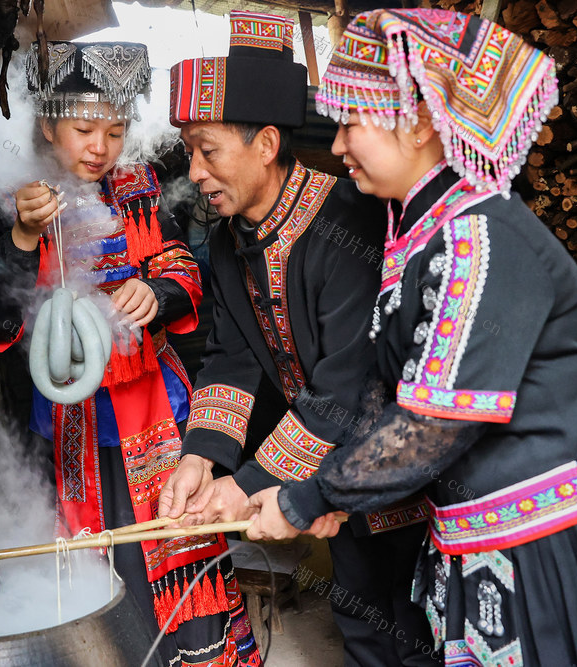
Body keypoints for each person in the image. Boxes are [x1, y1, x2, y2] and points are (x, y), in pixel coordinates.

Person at [245, 9, 577, 666]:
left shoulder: (481, 239)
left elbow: (437, 418)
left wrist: (313, 495)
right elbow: (381, 392)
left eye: (352, 123)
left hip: (556, 542)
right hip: (490, 539)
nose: (336, 146)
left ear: (419, 121)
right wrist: (330, 494)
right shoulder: (417, 236)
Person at [0, 40, 261, 666]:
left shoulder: (138, 186)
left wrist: (156, 291)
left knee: (171, 539)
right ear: (48, 126)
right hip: (74, 422)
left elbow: (182, 266)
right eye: (84, 129)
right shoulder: (18, 195)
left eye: (116, 131)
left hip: (153, 405)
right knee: (100, 555)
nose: (101, 147)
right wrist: (22, 236)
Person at [161, 11, 438, 666]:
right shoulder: (230, 243)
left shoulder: (345, 218)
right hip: (328, 468)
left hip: (400, 461)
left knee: (421, 623)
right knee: (361, 614)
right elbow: (231, 355)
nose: (195, 171)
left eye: (209, 149)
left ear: (263, 145)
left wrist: (251, 481)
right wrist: (201, 459)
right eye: (189, 153)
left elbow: (347, 382)